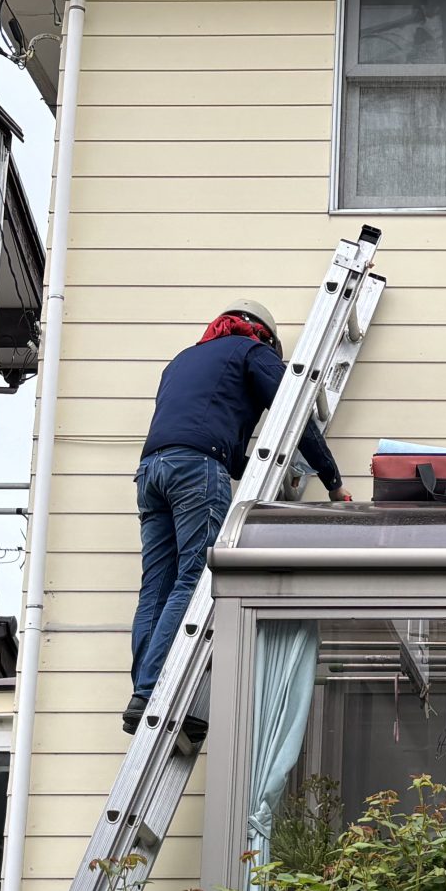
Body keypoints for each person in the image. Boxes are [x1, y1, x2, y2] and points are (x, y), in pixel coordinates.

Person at [125, 298, 349, 731]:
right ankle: (159, 690)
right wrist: (332, 479)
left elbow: (208, 434)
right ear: (262, 333)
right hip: (196, 468)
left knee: (156, 586)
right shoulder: (252, 351)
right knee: (194, 579)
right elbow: (296, 414)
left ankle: (142, 691)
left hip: (151, 472)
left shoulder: (182, 361)